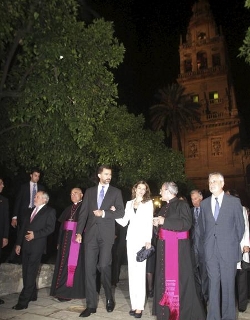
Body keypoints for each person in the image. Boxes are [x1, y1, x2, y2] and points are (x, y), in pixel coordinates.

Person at [75, 165, 125, 317]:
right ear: (99, 175)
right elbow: (83, 214)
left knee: (104, 266)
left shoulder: (116, 192)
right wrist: (78, 232)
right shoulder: (90, 192)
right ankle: (91, 305)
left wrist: (104, 213)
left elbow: (121, 212)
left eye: (110, 174)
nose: (109, 176)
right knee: (89, 269)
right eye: (106, 174)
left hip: (107, 235)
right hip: (90, 235)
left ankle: (109, 297)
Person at [152, 182, 206, 320]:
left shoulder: (181, 205)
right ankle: (165, 313)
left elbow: (186, 224)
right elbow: (162, 228)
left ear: (169, 191)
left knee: (181, 282)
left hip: (178, 251)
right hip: (164, 249)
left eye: (162, 190)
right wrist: (157, 225)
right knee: (163, 280)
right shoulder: (164, 207)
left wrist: (165, 222)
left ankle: (182, 314)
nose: (160, 191)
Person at [199, 173, 245, 320]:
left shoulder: (234, 202)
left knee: (228, 287)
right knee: (213, 286)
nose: (211, 183)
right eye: (209, 181)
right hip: (211, 252)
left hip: (228, 251)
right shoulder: (204, 203)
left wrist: (230, 243)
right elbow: (202, 227)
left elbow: (240, 227)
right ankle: (213, 317)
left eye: (214, 181)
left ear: (222, 183)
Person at [12, 191, 56, 310]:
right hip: (26, 245)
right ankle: (32, 295)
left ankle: (23, 301)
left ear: (44, 200)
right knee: (26, 271)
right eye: (35, 196)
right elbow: (23, 229)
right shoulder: (30, 210)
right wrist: (18, 244)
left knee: (31, 271)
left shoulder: (50, 211)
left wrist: (35, 235)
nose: (34, 198)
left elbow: (50, 228)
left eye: (37, 196)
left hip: (37, 246)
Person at [116, 181, 153, 318]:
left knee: (140, 273)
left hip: (142, 241)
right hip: (130, 240)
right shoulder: (129, 203)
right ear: (135, 189)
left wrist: (148, 239)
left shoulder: (148, 203)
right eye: (139, 188)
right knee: (132, 273)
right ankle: (134, 305)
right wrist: (114, 214)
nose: (141, 191)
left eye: (144, 189)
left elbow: (149, 221)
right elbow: (124, 221)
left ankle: (139, 307)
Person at [50, 188, 85, 301]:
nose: (73, 195)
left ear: (82, 195)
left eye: (76, 193)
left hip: (77, 242)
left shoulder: (85, 208)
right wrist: (59, 242)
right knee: (62, 264)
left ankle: (69, 292)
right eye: (71, 193)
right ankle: (60, 291)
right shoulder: (68, 209)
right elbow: (61, 228)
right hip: (65, 241)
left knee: (73, 266)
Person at [225, 189, 250, 313]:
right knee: (230, 277)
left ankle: (242, 304)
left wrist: (246, 245)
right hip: (229, 248)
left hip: (240, 247)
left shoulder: (242, 209)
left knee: (241, 277)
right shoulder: (225, 210)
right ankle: (231, 302)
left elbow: (245, 228)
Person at [190, 189, 209, 310]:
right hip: (193, 247)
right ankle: (197, 297)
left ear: (201, 198)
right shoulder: (190, 211)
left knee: (205, 275)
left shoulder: (207, 210)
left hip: (205, 248)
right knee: (194, 273)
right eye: (192, 199)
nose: (193, 201)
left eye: (195, 198)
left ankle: (206, 298)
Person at [0, 178, 9, 305]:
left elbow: (6, 220)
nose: (3, 185)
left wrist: (5, 236)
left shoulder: (4, 201)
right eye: (1, 183)